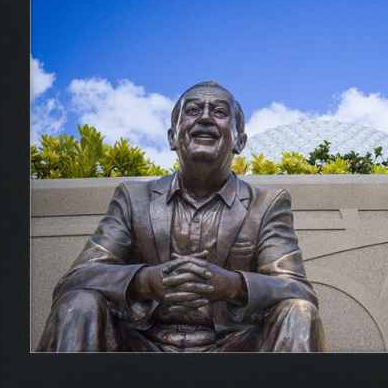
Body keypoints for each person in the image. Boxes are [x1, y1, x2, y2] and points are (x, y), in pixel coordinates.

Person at [36, 81, 327, 352]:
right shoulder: (133, 198)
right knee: (79, 301)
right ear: (172, 137)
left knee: (299, 311)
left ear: (240, 142)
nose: (204, 118)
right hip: (140, 344)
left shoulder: (266, 203)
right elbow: (75, 280)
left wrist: (232, 285)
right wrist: (145, 281)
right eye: (192, 110)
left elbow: (297, 288)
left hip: (234, 346)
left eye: (220, 112)